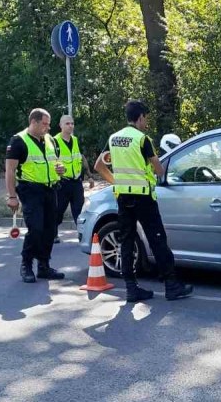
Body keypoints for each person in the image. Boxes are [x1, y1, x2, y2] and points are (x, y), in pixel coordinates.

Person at [94, 100, 193, 303]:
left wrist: (117, 181)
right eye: (145, 118)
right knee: (158, 240)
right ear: (140, 117)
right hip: (143, 197)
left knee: (127, 241)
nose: (146, 122)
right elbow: (159, 169)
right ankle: (171, 285)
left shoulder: (114, 138)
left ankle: (132, 288)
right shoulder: (142, 140)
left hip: (123, 197)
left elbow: (98, 166)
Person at [5, 108, 66, 283]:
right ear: (34, 122)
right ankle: (26, 264)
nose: (48, 127)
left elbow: (55, 162)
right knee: (36, 229)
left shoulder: (50, 140)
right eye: (45, 124)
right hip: (30, 190)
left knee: (50, 229)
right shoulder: (18, 141)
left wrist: (60, 169)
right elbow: (10, 170)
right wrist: (11, 196)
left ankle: (44, 266)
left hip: (51, 189)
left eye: (49, 124)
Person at [52, 114, 95, 244]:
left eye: (72, 123)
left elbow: (81, 157)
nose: (71, 126)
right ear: (60, 126)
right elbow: (49, 160)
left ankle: (82, 234)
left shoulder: (75, 140)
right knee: (58, 211)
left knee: (79, 211)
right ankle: (53, 234)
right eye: (67, 124)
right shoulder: (54, 141)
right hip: (61, 182)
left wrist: (90, 176)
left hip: (76, 182)